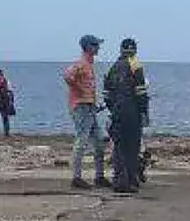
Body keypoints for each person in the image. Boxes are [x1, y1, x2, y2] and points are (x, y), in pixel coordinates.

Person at [103, 37, 151, 195]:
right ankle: (130, 180)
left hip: (117, 111)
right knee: (132, 147)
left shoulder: (113, 67)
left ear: (121, 50)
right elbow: (141, 92)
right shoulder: (136, 66)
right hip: (132, 112)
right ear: (135, 51)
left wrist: (113, 109)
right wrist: (144, 112)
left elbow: (106, 94)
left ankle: (118, 180)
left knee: (119, 147)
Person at [64, 35, 109, 190]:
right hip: (81, 107)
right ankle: (76, 178)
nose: (98, 48)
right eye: (96, 45)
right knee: (81, 141)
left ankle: (99, 176)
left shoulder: (89, 64)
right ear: (89, 47)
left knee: (99, 142)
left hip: (89, 107)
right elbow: (68, 75)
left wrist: (94, 103)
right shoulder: (81, 63)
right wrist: (80, 90)